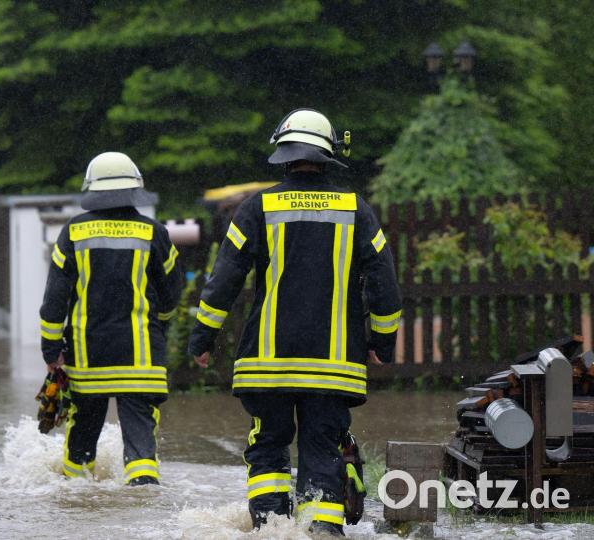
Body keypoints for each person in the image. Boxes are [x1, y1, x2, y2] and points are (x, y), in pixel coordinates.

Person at [187, 109, 402, 535]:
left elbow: (223, 279)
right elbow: (385, 282)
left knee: (267, 444)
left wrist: (202, 338)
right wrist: (383, 340)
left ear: (284, 157)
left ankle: (270, 527)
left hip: (268, 364)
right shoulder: (356, 209)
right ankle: (322, 528)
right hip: (333, 365)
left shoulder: (256, 208)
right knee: (323, 447)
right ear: (328, 157)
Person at [40, 151, 183, 485]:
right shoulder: (154, 232)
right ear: (134, 188)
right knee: (142, 447)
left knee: (81, 444)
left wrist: (51, 349)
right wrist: (158, 323)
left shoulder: (73, 232)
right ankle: (145, 500)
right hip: (141, 359)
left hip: (88, 358)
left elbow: (54, 300)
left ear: (93, 189)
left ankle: (75, 495)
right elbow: (171, 293)